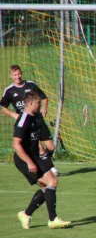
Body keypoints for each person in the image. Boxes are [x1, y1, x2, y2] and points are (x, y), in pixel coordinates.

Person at [13, 91, 71, 229]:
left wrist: (48, 149)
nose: (41, 105)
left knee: (48, 187)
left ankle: (26, 214)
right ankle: (52, 219)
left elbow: (45, 139)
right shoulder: (23, 120)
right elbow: (16, 145)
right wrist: (29, 162)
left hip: (36, 157)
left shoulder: (37, 117)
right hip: (24, 159)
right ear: (31, 103)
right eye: (39, 103)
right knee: (51, 182)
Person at [1, 64, 60, 177]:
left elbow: (44, 97)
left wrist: (44, 107)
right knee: (39, 147)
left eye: (19, 74)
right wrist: (14, 115)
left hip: (38, 120)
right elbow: (3, 109)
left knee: (51, 147)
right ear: (11, 76)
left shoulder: (30, 85)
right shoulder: (9, 91)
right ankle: (50, 168)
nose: (17, 77)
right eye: (15, 75)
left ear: (21, 73)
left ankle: (45, 163)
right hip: (26, 124)